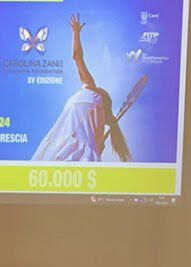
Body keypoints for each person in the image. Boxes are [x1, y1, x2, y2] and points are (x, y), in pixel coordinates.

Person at [32, 14, 132, 163]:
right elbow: (96, 151)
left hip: (61, 154)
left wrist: (76, 32)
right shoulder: (95, 129)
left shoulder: (92, 91)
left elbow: (76, 56)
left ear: (101, 98)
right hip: (77, 157)